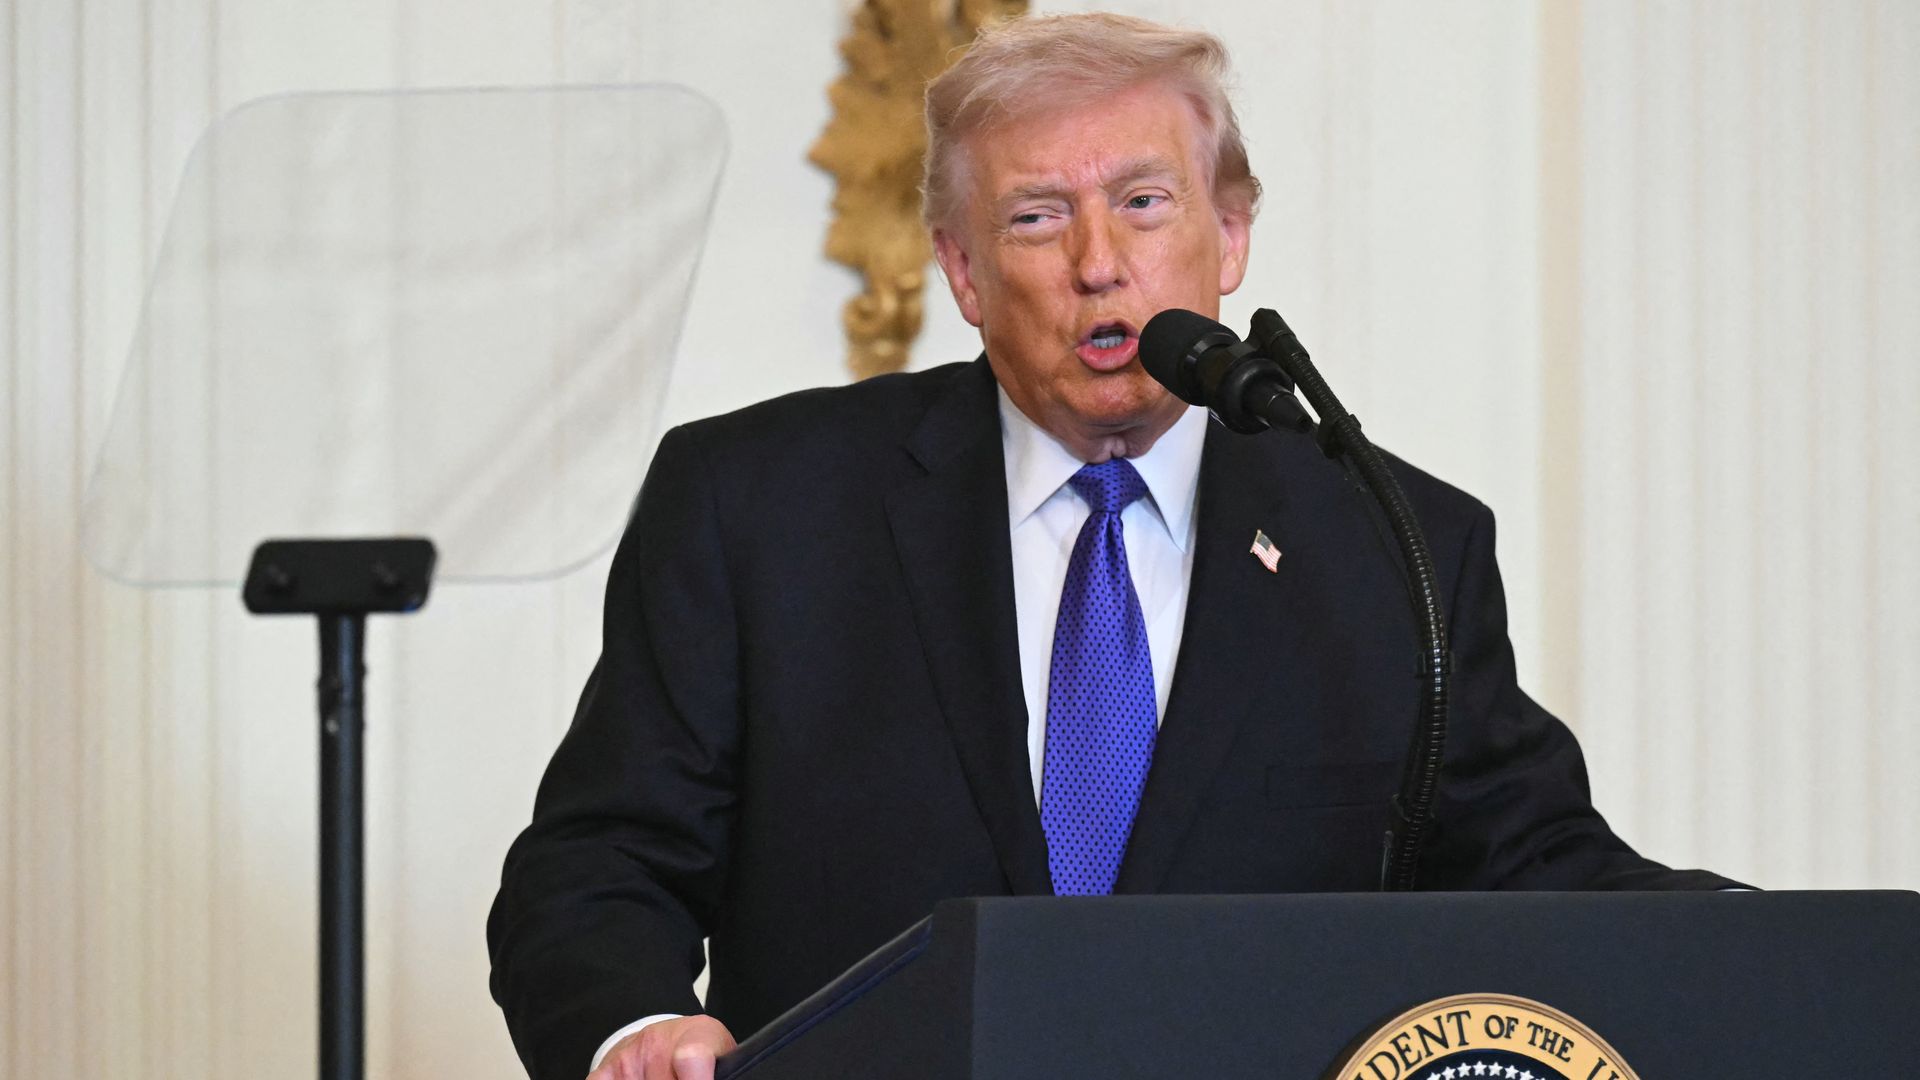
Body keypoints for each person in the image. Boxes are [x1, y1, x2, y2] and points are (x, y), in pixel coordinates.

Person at [487, 13, 1738, 1080]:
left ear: (1230, 237)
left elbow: (1533, 866)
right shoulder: (757, 504)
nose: (1099, 266)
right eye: (1036, 220)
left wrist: (1782, 946)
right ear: (964, 272)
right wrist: (635, 1025)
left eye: (1144, 204)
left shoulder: (1390, 540)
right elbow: (597, 863)